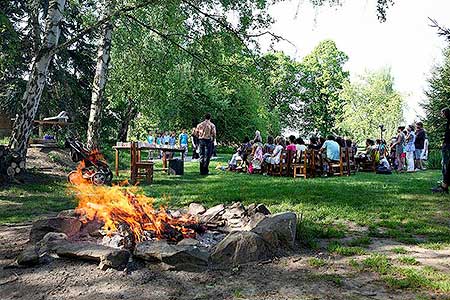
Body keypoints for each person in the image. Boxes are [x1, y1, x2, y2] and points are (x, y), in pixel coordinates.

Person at [432, 107, 450, 193]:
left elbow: (448, 134)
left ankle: (444, 186)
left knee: (446, 165)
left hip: (448, 145)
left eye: (442, 113)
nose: (441, 115)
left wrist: (445, 143)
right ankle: (444, 184)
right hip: (447, 144)